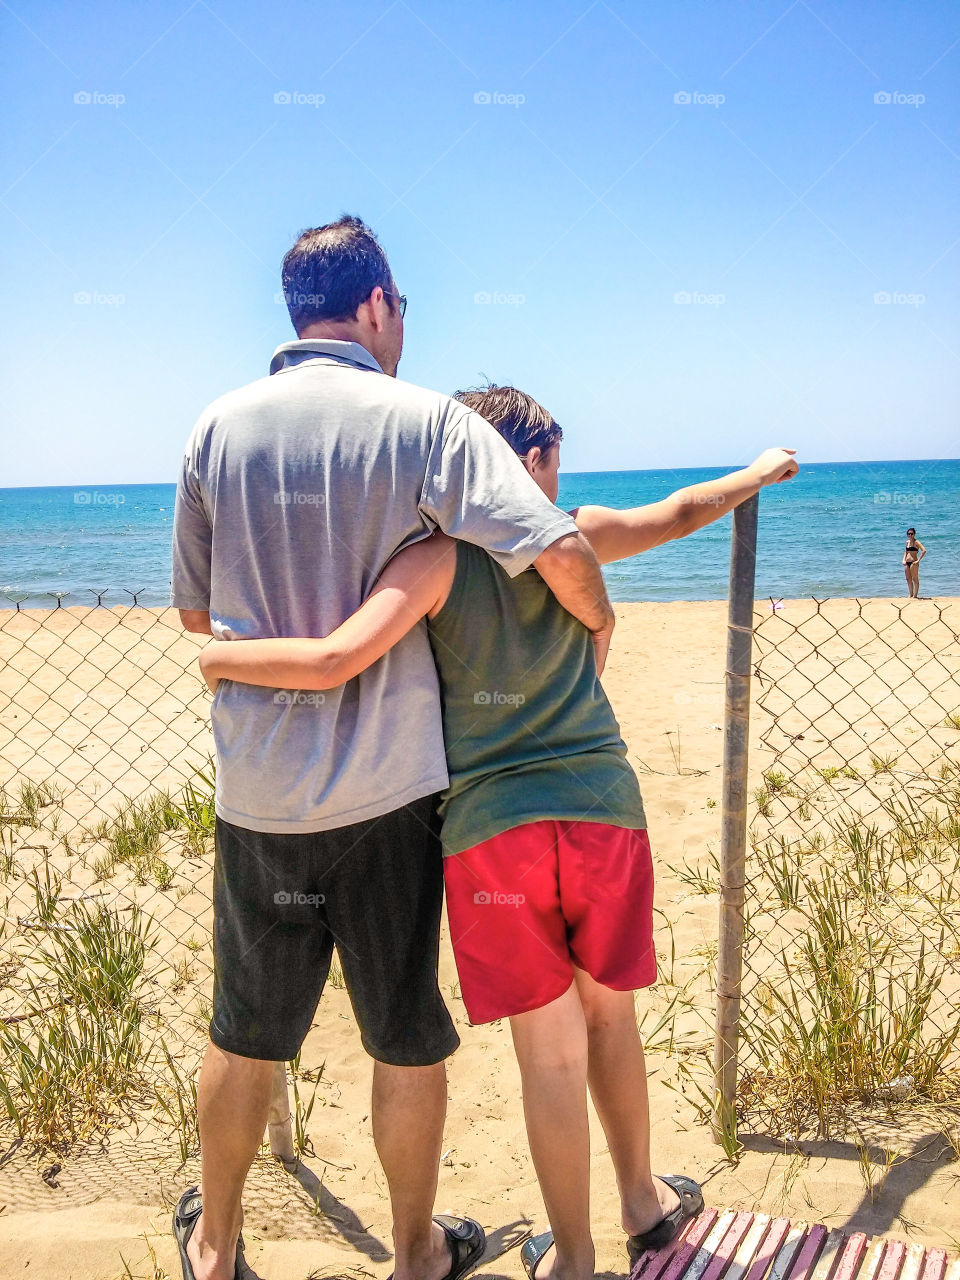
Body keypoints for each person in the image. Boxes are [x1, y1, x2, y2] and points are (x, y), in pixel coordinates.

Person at [198, 384, 798, 1280]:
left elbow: (338, 659)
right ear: (533, 458)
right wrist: (757, 472)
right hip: (600, 808)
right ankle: (643, 1204)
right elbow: (680, 513)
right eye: (554, 451)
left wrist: (220, 654)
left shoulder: (435, 558)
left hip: (490, 834)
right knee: (612, 1021)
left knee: (548, 1055)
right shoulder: (575, 533)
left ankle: (577, 1259)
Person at [170, 221, 614, 1280]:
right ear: (375, 306)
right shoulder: (425, 422)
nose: (404, 323)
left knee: (243, 1032)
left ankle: (218, 1244)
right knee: (404, 1033)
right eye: (402, 304)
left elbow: (198, 619)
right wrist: (596, 630)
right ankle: (415, 1252)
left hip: (261, 793)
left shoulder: (215, 427)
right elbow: (555, 541)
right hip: (392, 793)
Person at [903, 527, 926, 597]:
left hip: (914, 562)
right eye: (908, 534)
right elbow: (906, 552)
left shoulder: (916, 542)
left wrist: (918, 560)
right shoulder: (907, 542)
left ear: (914, 534)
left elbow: (924, 550)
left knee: (915, 578)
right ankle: (911, 594)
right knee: (908, 579)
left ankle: (915, 595)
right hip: (907, 562)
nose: (910, 535)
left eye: (911, 534)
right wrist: (903, 560)